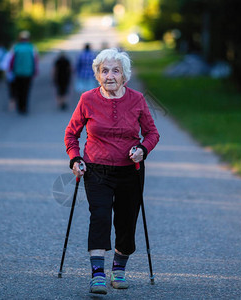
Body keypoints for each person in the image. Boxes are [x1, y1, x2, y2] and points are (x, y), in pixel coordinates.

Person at [64, 48, 160, 295]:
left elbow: (152, 133)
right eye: (104, 70)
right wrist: (75, 159)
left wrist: (142, 149)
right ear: (97, 74)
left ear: (124, 76)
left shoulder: (137, 99)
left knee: (126, 222)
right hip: (97, 169)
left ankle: (118, 270)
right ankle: (97, 275)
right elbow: (71, 134)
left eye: (115, 71)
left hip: (131, 170)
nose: (109, 75)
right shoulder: (87, 99)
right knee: (100, 217)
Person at [9, 30, 39, 115]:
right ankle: (24, 107)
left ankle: (19, 107)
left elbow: (11, 61)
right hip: (28, 73)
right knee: (26, 90)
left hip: (17, 72)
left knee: (18, 90)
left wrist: (11, 70)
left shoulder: (15, 47)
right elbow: (35, 60)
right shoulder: (32, 47)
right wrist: (35, 71)